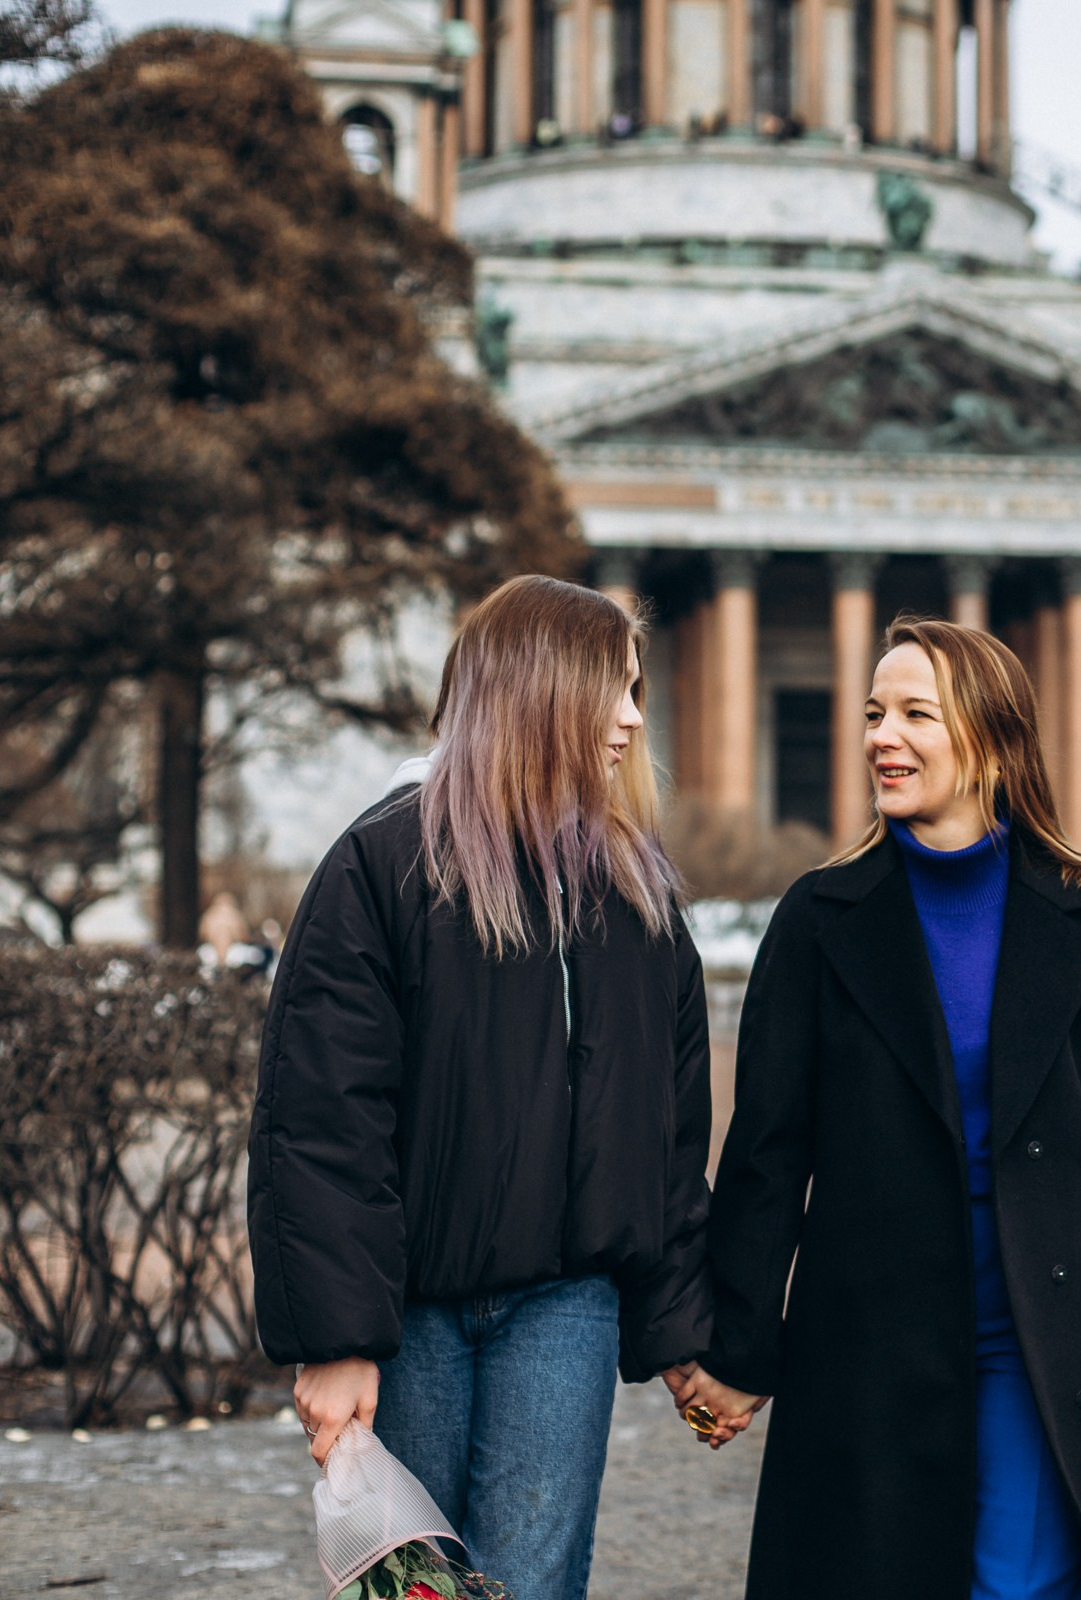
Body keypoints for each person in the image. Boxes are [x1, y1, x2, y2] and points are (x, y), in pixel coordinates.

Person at [681, 617, 1081, 1600]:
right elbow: (765, 1154)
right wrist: (739, 1346)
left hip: (1050, 1332)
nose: (884, 734)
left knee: (1016, 1584)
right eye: (876, 712)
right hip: (872, 1339)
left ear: (992, 741)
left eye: (916, 712)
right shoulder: (816, 918)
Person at [247, 576, 713, 1600]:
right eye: (613, 689)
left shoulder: (634, 892)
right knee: (418, 1586)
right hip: (410, 1311)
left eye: (637, 689)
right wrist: (338, 1340)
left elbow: (664, 1132)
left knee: (534, 1585)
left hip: (567, 1308)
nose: (636, 717)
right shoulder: (382, 864)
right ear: (538, 691)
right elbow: (324, 1120)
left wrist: (680, 1329)